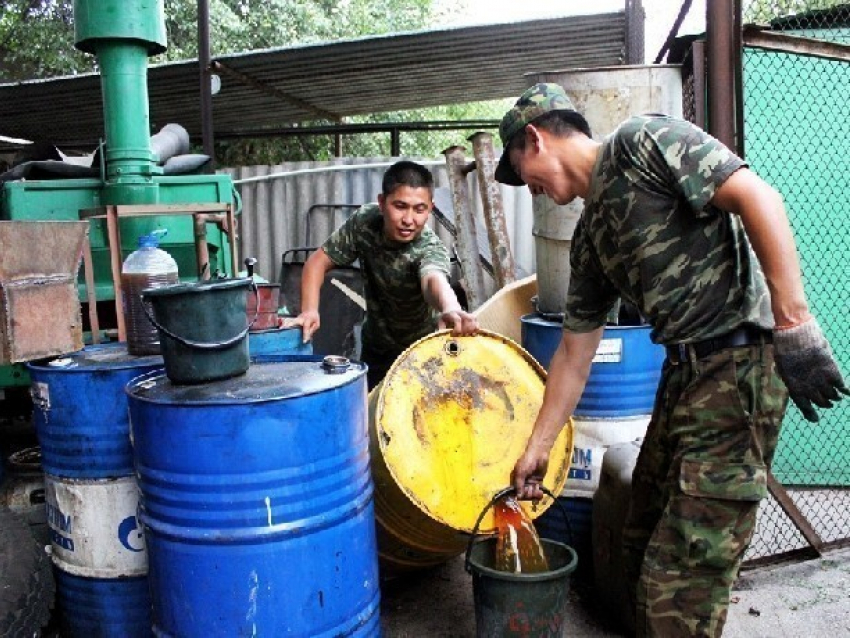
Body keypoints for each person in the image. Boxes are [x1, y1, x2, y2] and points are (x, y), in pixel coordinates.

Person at [496, 83, 848, 637]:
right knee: (637, 544)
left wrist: (794, 323)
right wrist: (537, 448)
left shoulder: (642, 142)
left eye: (523, 174)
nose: (530, 190)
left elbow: (759, 198)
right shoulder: (590, 237)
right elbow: (574, 351)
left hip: (736, 366)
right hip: (682, 375)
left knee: (683, 579)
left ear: (535, 138)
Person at [288, 160, 478, 389]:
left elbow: (433, 280)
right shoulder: (364, 223)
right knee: (368, 415)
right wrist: (309, 310)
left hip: (420, 353)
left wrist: (450, 307)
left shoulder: (430, 248)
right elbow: (317, 263)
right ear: (381, 202)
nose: (409, 219)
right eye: (400, 206)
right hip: (375, 348)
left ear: (430, 208)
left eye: (420, 209)